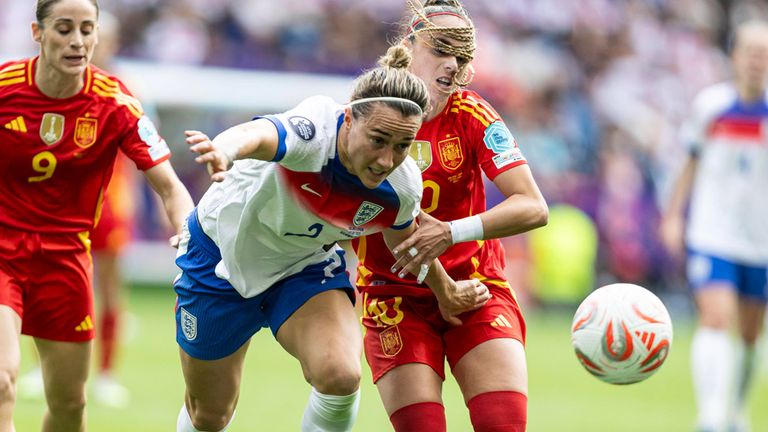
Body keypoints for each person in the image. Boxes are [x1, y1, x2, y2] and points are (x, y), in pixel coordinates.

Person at [173, 45, 491, 432]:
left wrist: (446, 291)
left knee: (340, 374)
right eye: (378, 139)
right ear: (349, 119)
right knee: (208, 416)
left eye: (402, 146)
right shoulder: (314, 131)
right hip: (217, 259)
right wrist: (224, 149)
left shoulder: (402, 185)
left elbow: (405, 238)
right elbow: (258, 134)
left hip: (301, 268)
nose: (387, 160)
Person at [350, 1, 548, 431]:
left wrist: (453, 232)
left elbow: (533, 205)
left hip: (477, 289)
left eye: (462, 55)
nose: (453, 63)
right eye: (441, 49)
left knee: (504, 425)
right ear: (409, 45)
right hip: (394, 297)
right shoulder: (366, 116)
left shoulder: (473, 115)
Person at [0, 0, 195, 430]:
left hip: (65, 262)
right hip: (3, 253)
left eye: (86, 29)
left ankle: (107, 375)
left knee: (70, 406)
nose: (78, 41)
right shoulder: (4, 87)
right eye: (64, 29)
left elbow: (170, 186)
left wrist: (189, 230)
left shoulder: (115, 102)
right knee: (2, 380)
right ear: (38, 33)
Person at [660, 20, 768, 432]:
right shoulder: (712, 106)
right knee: (716, 317)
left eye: (764, 53)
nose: (758, 61)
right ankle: (711, 417)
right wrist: (673, 216)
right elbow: (688, 163)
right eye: (751, 52)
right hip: (713, 233)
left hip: (760, 239)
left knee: (750, 334)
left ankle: (737, 411)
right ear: (735, 57)